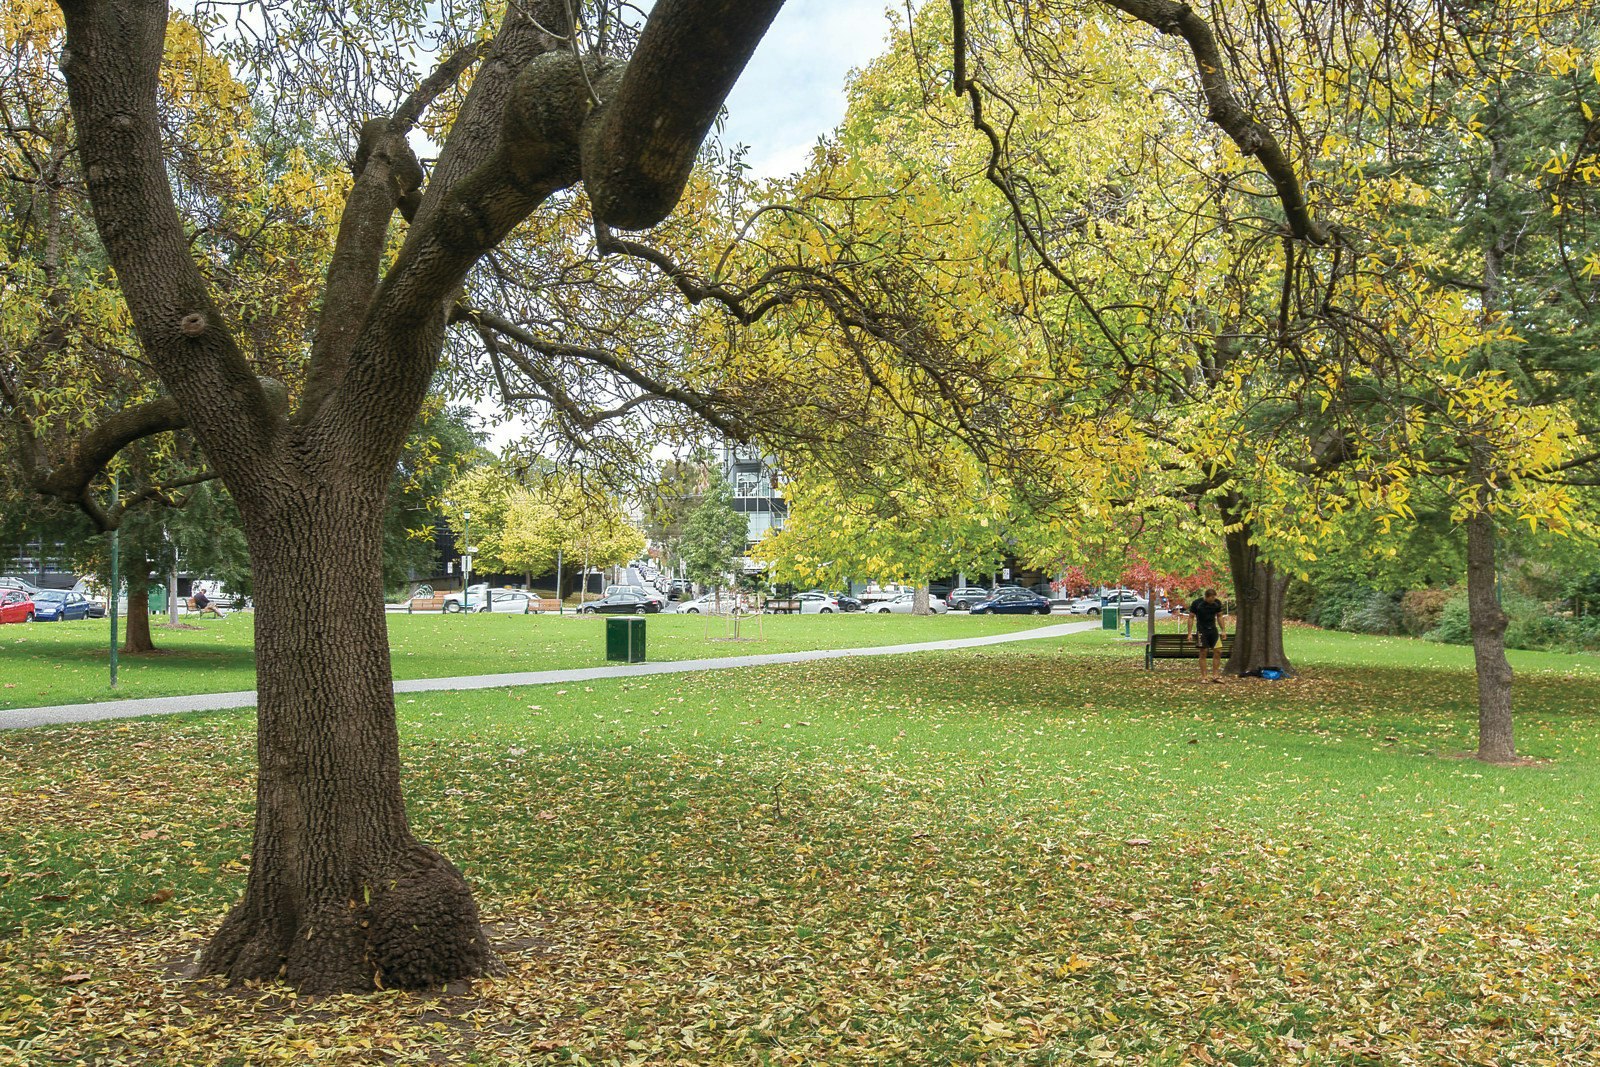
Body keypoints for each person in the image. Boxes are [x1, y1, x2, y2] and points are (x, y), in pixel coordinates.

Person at [1186, 588, 1227, 683]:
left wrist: (1223, 630)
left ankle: (1215, 675)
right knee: (1203, 652)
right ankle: (1204, 677)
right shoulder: (1197, 603)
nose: (1213, 600)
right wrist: (1189, 633)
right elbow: (1191, 617)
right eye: (1211, 598)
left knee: (1218, 651)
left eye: (1214, 598)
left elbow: (1219, 616)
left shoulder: (1217, 603)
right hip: (1202, 630)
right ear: (1206, 597)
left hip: (1213, 630)